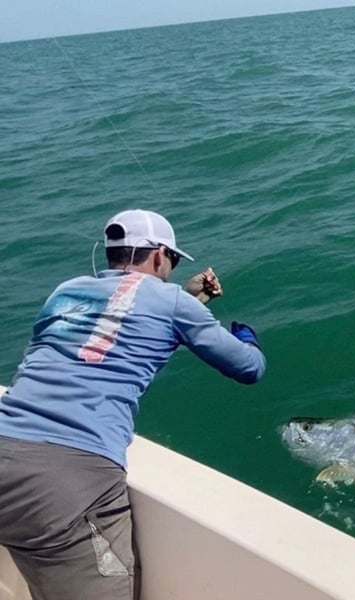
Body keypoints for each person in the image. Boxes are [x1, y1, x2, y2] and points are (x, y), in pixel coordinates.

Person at [0, 209, 266, 600]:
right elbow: (248, 368)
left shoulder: (67, 290)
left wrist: (189, 301)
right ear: (159, 255)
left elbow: (103, 328)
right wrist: (247, 335)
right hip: (67, 480)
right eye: (172, 261)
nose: (171, 270)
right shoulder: (172, 301)